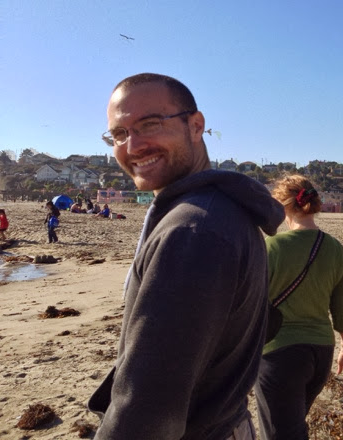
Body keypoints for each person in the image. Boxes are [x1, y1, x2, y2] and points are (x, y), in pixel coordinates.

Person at [88, 73, 284, 439]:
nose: (133, 146)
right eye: (119, 134)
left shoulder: (193, 231)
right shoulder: (226, 209)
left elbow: (147, 409)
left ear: (196, 126)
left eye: (150, 124)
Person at [256, 174, 343, 440]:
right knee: (293, 427)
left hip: (279, 354)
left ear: (283, 206)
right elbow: (341, 308)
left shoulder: (271, 247)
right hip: (321, 353)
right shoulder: (335, 249)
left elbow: (247, 303)